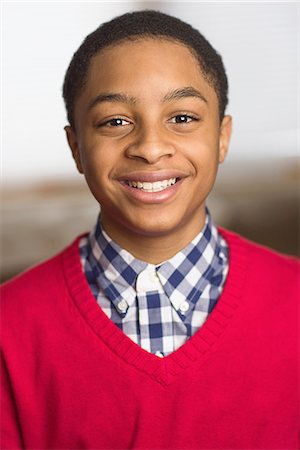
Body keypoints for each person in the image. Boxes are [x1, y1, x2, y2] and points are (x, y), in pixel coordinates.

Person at [1, 10, 298, 450]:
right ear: (76, 148)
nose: (151, 148)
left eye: (182, 118)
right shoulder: (9, 328)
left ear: (222, 137)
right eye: (115, 121)